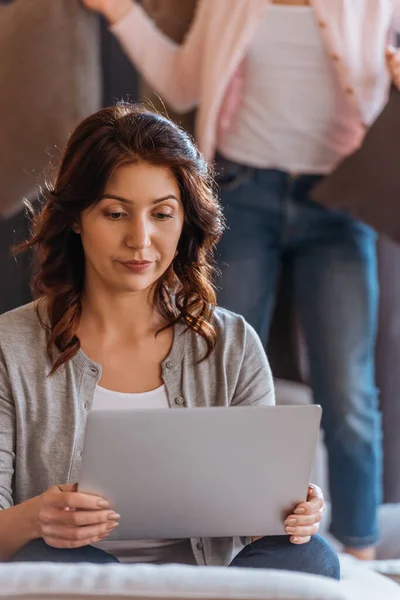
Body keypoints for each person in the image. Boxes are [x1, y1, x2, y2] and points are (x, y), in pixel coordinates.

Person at [81, 0, 400, 560]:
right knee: (216, 377)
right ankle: (220, 535)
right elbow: (181, 85)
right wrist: (121, 13)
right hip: (244, 193)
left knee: (349, 391)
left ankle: (360, 553)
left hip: (338, 201)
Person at [0, 104, 338, 577]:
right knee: (44, 560)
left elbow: (258, 520)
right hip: (80, 579)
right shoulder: (9, 347)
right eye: (115, 213)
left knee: (311, 556)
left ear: (186, 221)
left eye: (161, 214)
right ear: (76, 218)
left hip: (210, 585)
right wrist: (36, 519)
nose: (141, 240)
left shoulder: (232, 343)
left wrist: (288, 512)